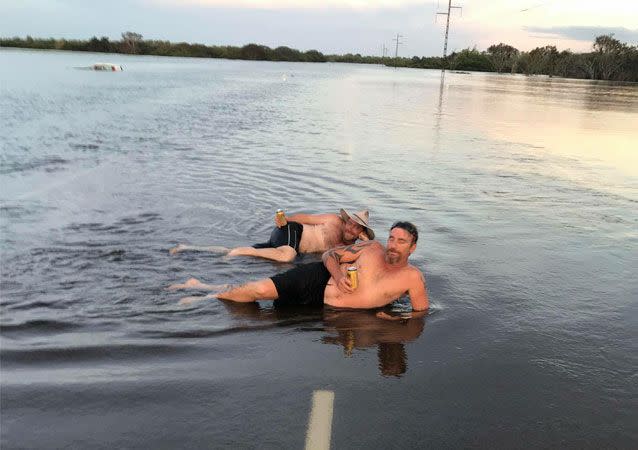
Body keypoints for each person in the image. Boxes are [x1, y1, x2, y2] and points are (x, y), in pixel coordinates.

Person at [169, 221, 429, 318]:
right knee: (259, 290)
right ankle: (207, 294)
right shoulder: (371, 248)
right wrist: (338, 275)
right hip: (317, 279)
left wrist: (396, 318)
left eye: (401, 241)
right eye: (392, 238)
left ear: (412, 248)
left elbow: (421, 313)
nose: (393, 245)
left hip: (322, 310)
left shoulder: (412, 278)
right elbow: (329, 254)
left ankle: (199, 285)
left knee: (265, 313)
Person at [169, 208, 375, 263]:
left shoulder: (350, 246)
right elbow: (304, 218)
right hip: (292, 231)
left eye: (356, 228)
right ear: (346, 220)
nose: (349, 228)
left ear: (361, 233)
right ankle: (235, 254)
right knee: (287, 256)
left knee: (255, 250)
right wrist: (284, 221)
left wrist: (365, 241)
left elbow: (366, 253)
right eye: (350, 222)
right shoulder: (333, 220)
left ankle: (187, 248)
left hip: (284, 244)